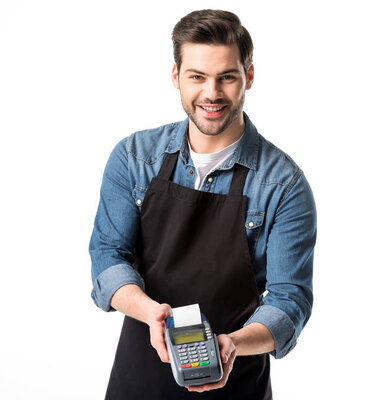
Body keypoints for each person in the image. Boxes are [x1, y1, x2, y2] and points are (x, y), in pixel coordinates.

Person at [89, 9, 317, 399]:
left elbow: (289, 298)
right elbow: (108, 255)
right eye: (197, 76)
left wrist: (234, 345)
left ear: (249, 76)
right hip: (138, 377)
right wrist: (151, 313)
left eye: (227, 77)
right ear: (176, 76)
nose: (211, 93)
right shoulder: (134, 157)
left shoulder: (285, 185)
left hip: (236, 379)